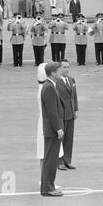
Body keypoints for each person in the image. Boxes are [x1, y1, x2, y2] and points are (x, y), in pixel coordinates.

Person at [40, 62, 64, 197]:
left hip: (52, 129)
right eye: (59, 70)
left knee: (51, 159)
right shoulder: (49, 87)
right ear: (53, 73)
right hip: (52, 130)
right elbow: (52, 112)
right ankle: (48, 188)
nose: (61, 72)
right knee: (50, 160)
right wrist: (58, 128)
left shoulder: (50, 85)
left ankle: (48, 187)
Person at [56, 60, 79, 170]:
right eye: (64, 67)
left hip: (70, 112)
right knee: (60, 138)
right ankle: (59, 161)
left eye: (68, 67)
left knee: (69, 138)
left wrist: (76, 109)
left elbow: (74, 96)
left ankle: (67, 160)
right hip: (61, 113)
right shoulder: (56, 81)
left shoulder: (71, 80)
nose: (66, 69)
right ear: (59, 69)